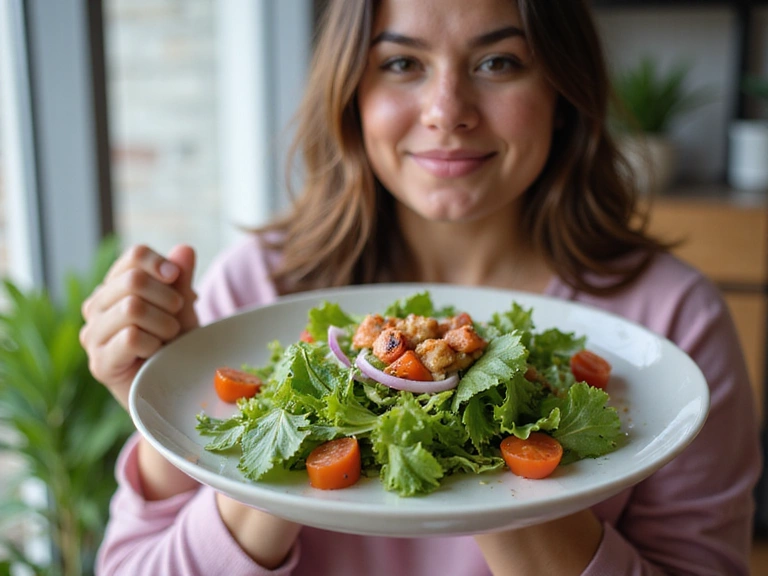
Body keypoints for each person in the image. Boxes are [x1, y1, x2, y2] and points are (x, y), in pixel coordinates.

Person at [80, 0, 762, 574]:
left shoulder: (669, 322)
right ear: (351, 93)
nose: (447, 111)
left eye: (499, 62)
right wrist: (176, 420)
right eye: (402, 63)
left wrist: (497, 450)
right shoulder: (254, 292)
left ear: (562, 92)